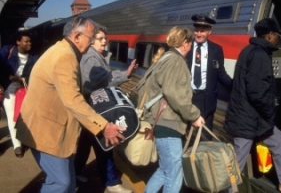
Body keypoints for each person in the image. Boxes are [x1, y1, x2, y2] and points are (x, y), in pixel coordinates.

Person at [16, 16, 126, 193]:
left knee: (67, 182)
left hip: (50, 129)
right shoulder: (65, 57)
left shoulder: (62, 50)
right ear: (76, 37)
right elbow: (72, 99)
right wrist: (103, 126)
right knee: (60, 183)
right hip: (45, 131)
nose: (91, 43)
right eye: (90, 38)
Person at [224, 18, 281, 192]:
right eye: (278, 35)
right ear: (269, 35)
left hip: (252, 119)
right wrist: (271, 112)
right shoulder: (260, 55)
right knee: (237, 166)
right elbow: (257, 92)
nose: (279, 38)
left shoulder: (249, 50)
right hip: (248, 120)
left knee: (280, 142)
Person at [140, 26, 205, 193]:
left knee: (164, 170)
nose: (190, 47)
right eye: (189, 43)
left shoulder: (165, 57)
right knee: (174, 173)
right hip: (168, 123)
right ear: (184, 43)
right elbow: (173, 93)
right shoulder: (176, 61)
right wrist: (194, 115)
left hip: (160, 121)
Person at [74, 25, 137, 193]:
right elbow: (101, 81)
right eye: (100, 38)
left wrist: (124, 74)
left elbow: (104, 77)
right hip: (95, 107)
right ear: (91, 40)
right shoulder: (90, 58)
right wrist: (125, 75)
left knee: (86, 142)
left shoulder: (97, 56)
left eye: (105, 38)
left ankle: (75, 171)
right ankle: (111, 182)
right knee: (105, 144)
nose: (105, 41)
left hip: (94, 106)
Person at [186, 14, 232, 140]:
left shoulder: (216, 49)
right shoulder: (186, 47)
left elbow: (221, 73)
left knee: (205, 140)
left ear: (209, 31)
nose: (199, 34)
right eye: (196, 30)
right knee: (184, 136)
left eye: (203, 31)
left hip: (206, 100)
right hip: (186, 98)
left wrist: (235, 86)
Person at [0, 31, 38, 158]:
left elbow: (36, 73)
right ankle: (17, 145)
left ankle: (24, 138)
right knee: (12, 116)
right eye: (26, 41)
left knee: (25, 114)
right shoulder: (7, 51)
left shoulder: (33, 56)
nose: (29, 44)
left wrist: (21, 79)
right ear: (18, 42)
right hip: (8, 87)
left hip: (24, 88)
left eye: (30, 41)